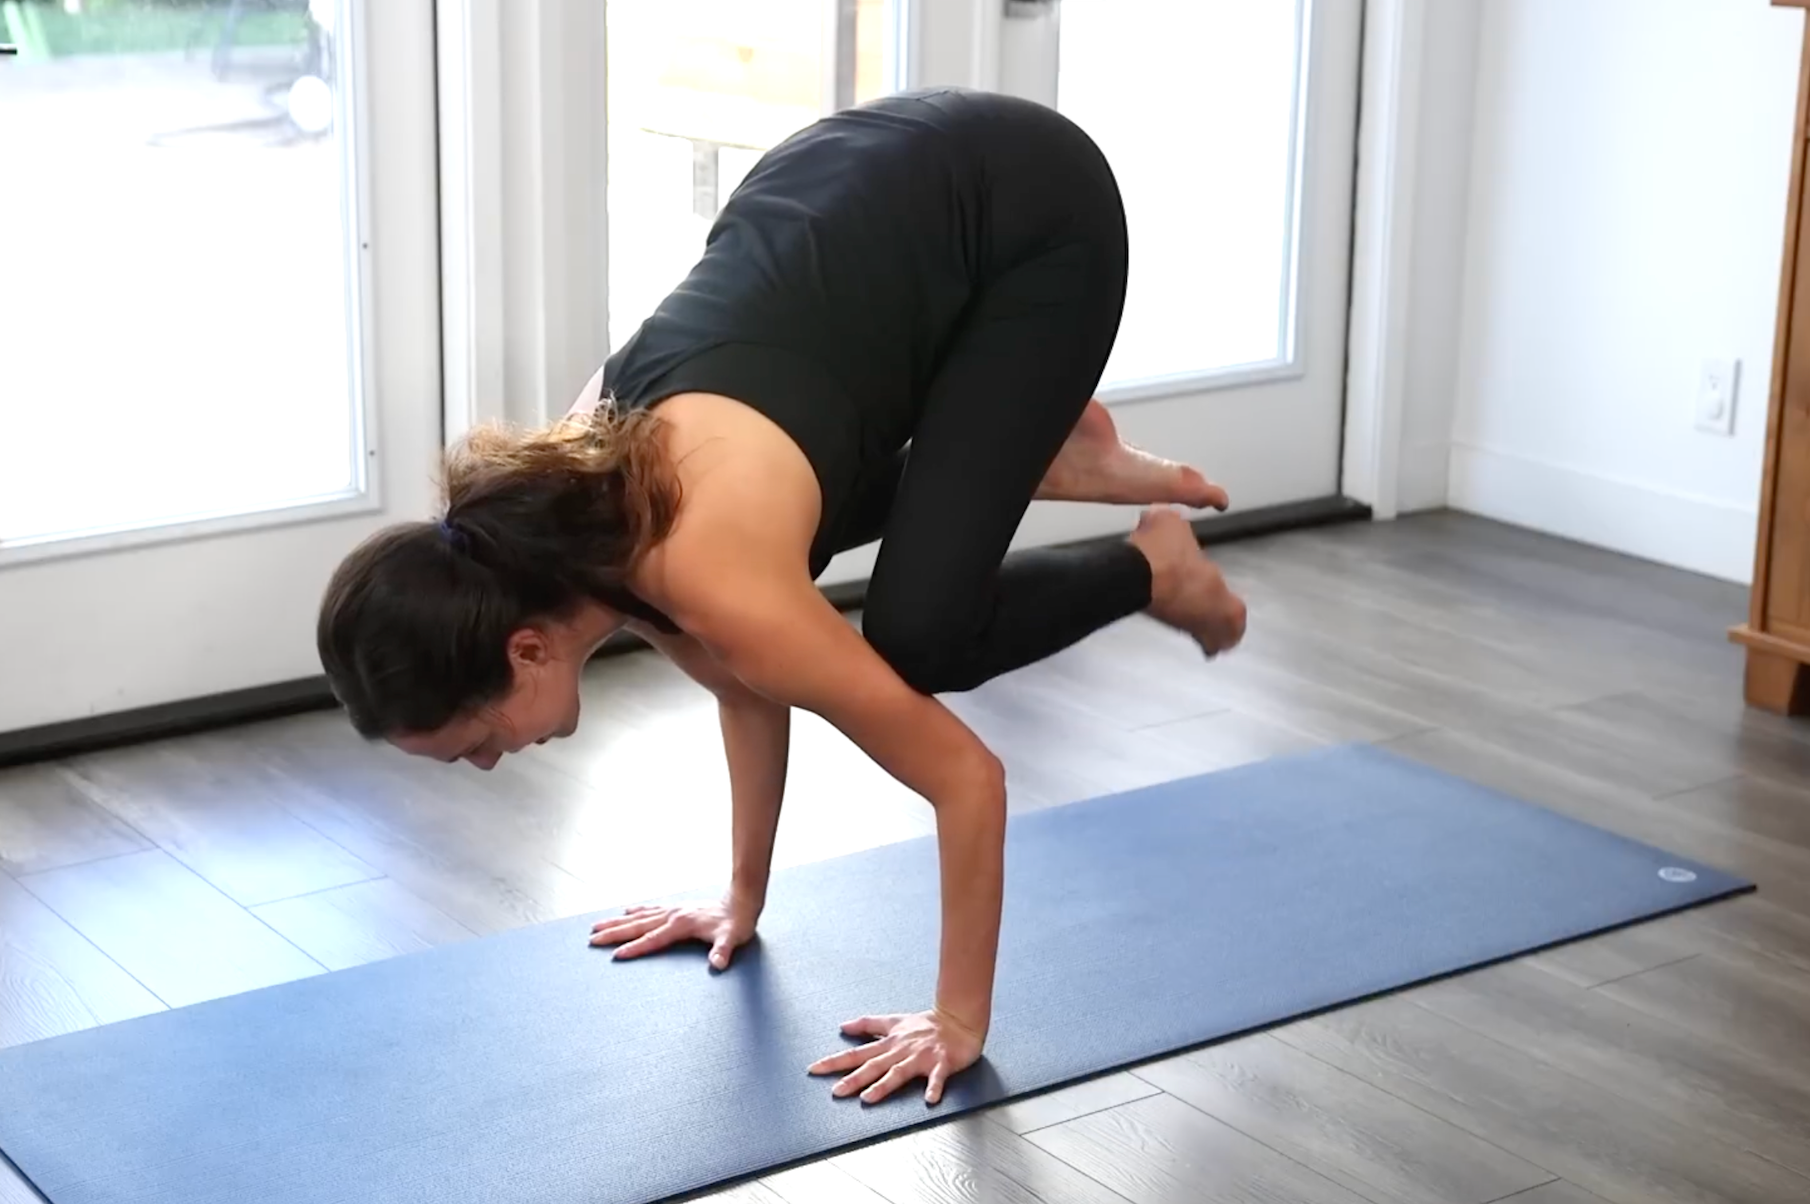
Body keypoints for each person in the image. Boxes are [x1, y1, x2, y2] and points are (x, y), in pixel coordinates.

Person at [316, 87, 1248, 1109]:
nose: (491, 762)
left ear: (526, 651)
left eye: (474, 741)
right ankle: (1028, 454)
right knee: (789, 532)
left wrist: (957, 1022)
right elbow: (744, 685)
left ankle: (1153, 558)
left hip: (1026, 210)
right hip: (859, 189)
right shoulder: (561, 523)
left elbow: (967, 780)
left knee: (923, 635)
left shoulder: (697, 564)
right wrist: (738, 902)